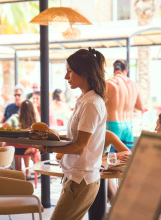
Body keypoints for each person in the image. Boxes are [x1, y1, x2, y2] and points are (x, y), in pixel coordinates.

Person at [38, 48, 107, 220]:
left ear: (84, 72)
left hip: (81, 180)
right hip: (76, 178)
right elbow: (76, 139)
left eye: (69, 71)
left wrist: (48, 148)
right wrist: (53, 138)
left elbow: (80, 147)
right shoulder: (84, 100)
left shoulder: (91, 103)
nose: (65, 76)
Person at [106, 59, 144, 152]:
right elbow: (140, 107)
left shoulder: (109, 83)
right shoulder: (133, 84)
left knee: (110, 159)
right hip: (128, 126)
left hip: (113, 125)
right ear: (126, 70)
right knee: (125, 159)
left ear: (114, 69)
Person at [3, 99, 38, 178]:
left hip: (16, 148)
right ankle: (27, 171)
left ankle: (19, 172)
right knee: (30, 146)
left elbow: (5, 126)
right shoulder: (34, 121)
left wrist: (14, 131)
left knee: (16, 146)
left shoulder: (15, 117)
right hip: (28, 149)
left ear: (20, 109)